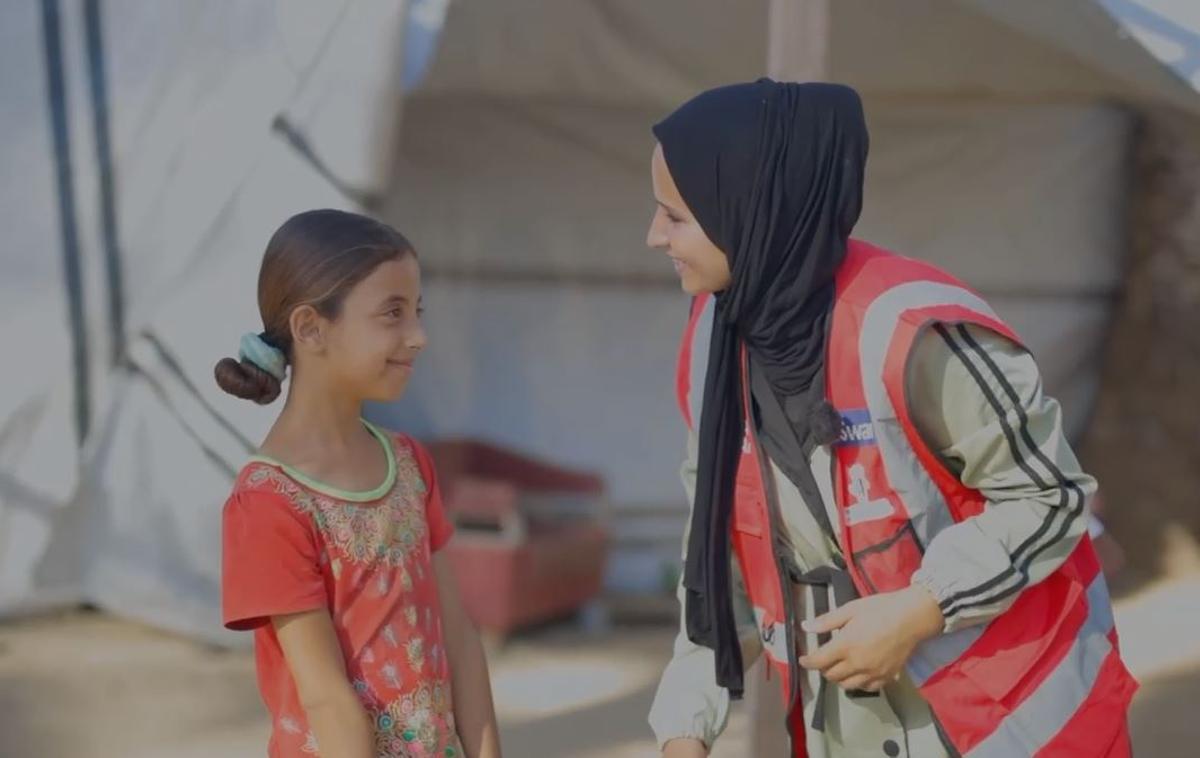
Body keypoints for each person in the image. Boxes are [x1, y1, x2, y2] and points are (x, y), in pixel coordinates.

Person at [644, 80, 1137, 758]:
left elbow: (1051, 496)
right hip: (845, 730)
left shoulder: (912, 333)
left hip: (1007, 727)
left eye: (675, 217)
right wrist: (684, 726)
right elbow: (715, 543)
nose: (652, 237)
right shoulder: (714, 336)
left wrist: (918, 611)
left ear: (747, 211)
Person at [215, 209, 501, 758]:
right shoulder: (268, 503)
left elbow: (459, 637)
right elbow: (325, 699)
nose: (417, 337)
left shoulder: (411, 464)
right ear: (310, 328)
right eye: (391, 313)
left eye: (416, 311)